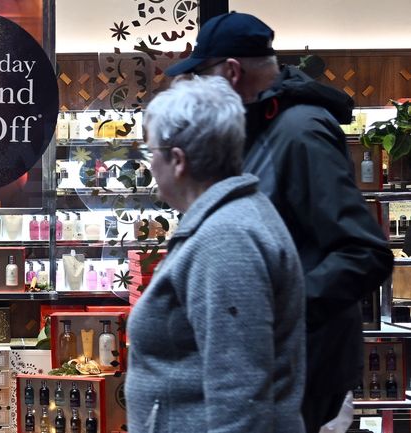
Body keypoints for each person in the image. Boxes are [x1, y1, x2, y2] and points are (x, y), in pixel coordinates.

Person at [165, 12, 394, 433]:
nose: (197, 88)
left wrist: (277, 311)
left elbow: (365, 253)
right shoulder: (267, 127)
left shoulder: (299, 131)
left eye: (202, 75)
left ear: (231, 73)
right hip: (283, 362)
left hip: (307, 367)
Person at [125, 75, 306, 433]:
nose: (150, 166)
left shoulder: (226, 239)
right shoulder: (229, 222)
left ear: (177, 160)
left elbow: (240, 396)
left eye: (151, 152)